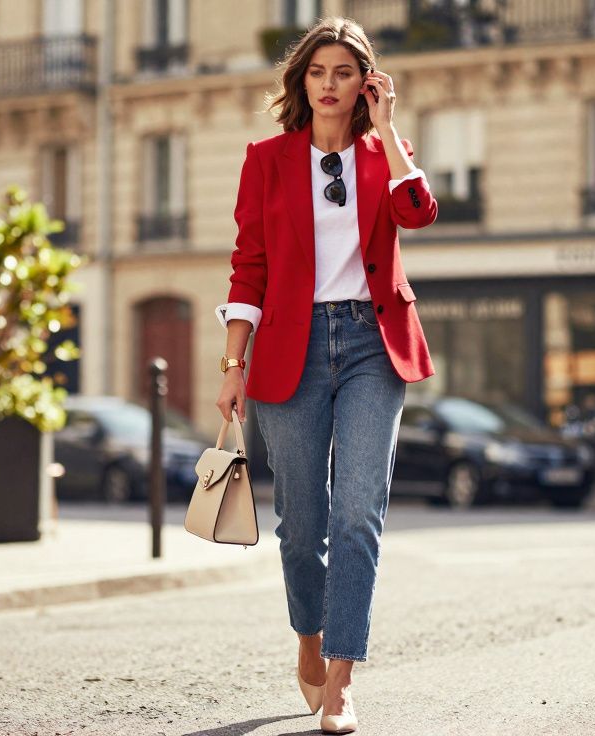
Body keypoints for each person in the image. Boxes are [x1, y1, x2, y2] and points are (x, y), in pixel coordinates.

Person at [213, 16, 438, 735]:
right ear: (301, 81)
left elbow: (419, 213)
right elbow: (250, 264)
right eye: (320, 72)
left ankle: (341, 679)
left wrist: (391, 130)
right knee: (300, 522)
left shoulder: (385, 154)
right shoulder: (267, 159)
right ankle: (308, 644)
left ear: (366, 82)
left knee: (358, 512)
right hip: (292, 347)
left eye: (346, 72)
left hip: (374, 342)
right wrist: (232, 362)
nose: (332, 85)